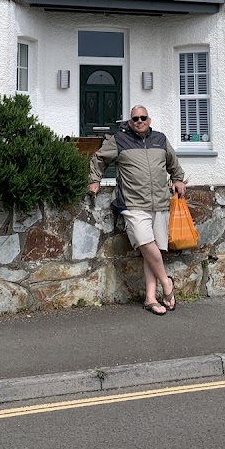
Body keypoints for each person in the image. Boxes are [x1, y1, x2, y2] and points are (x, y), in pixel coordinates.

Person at [88, 105, 186, 316]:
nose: (139, 121)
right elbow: (99, 159)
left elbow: (172, 162)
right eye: (135, 118)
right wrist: (94, 180)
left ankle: (150, 298)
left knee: (153, 251)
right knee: (145, 242)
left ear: (149, 120)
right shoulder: (119, 140)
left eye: (143, 117)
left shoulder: (160, 139)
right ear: (130, 122)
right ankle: (167, 284)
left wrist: (178, 179)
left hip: (159, 202)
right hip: (133, 203)